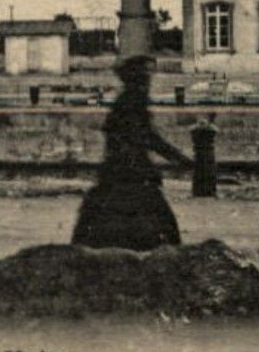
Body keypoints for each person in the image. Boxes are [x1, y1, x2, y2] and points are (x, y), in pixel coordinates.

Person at [71, 54, 192, 251]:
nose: (149, 81)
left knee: (94, 215)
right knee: (163, 219)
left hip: (117, 170)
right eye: (146, 76)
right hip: (132, 171)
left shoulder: (126, 100)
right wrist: (180, 158)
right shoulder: (134, 101)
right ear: (139, 79)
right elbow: (147, 137)